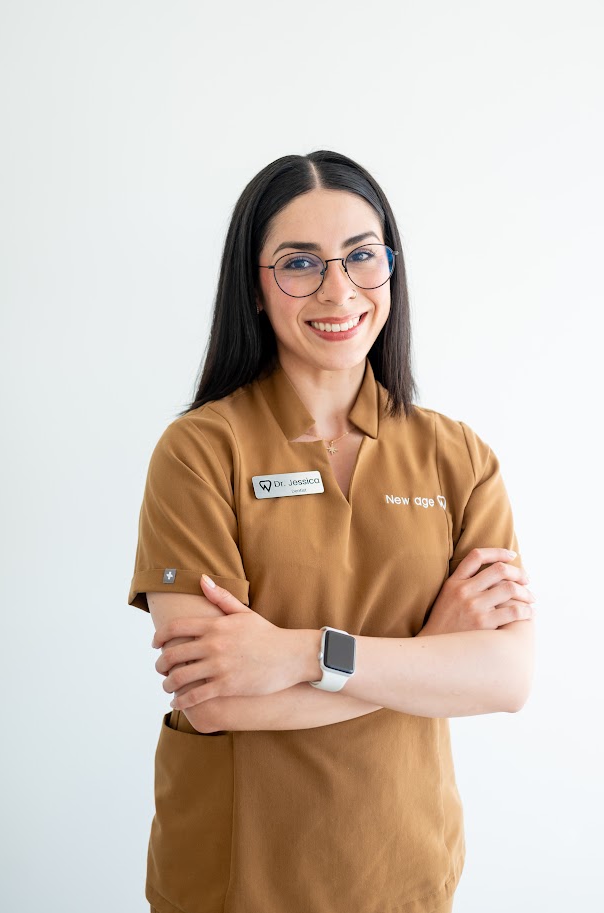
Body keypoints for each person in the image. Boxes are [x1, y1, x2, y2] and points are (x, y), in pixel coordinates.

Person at [127, 150, 535, 913]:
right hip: (237, 878)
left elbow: (505, 679)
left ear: (391, 268)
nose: (338, 288)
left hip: (404, 869)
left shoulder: (457, 457)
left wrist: (297, 653)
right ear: (254, 286)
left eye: (360, 256)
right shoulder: (200, 451)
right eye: (299, 263)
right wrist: (426, 660)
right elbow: (215, 700)